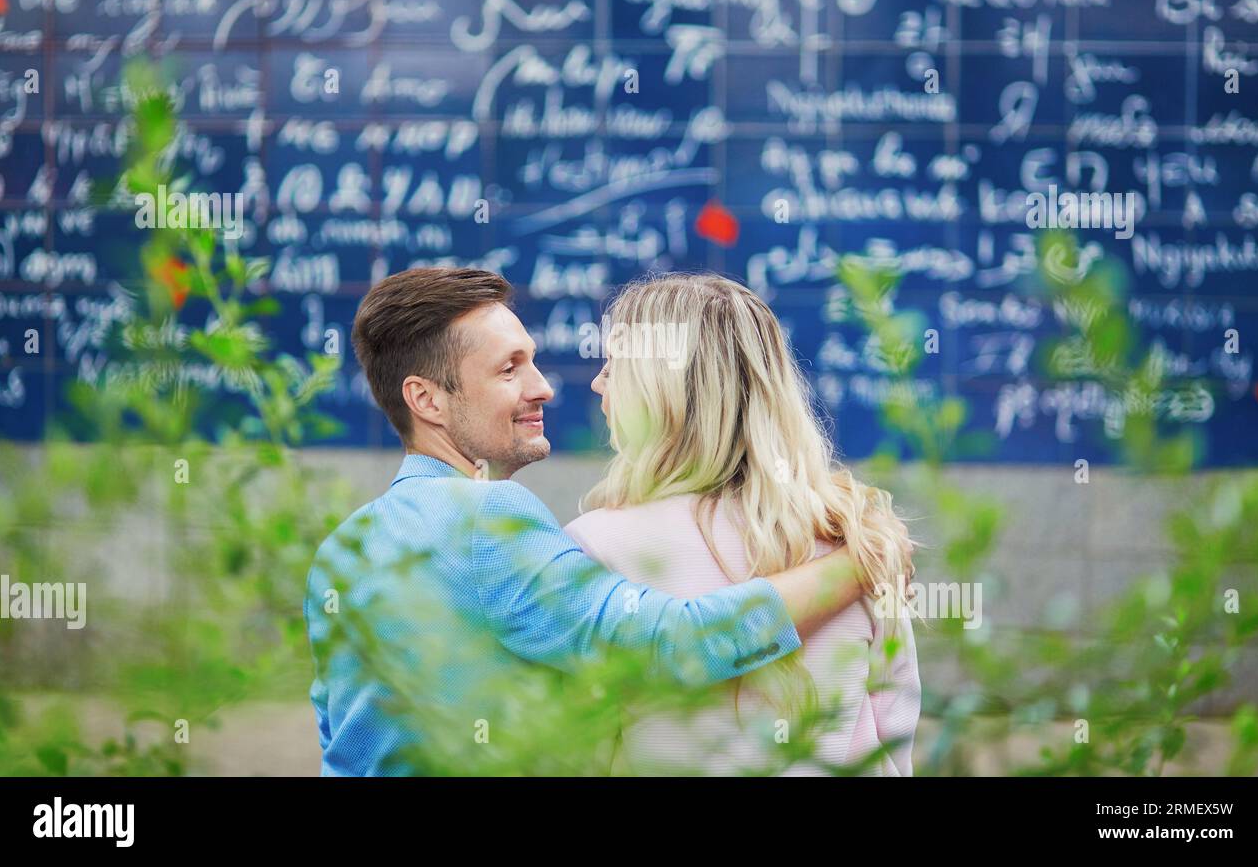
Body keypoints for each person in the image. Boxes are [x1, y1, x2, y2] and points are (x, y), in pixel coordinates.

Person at [303, 267, 884, 776]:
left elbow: (342, 737)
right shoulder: (487, 516)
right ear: (426, 400)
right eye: (510, 369)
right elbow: (672, 645)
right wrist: (857, 564)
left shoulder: (343, 549)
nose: (544, 388)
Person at [565, 272, 921, 775]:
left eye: (613, 365)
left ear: (657, 391)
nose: (600, 382)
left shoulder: (596, 545)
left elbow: (583, 749)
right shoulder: (860, 539)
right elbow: (891, 732)